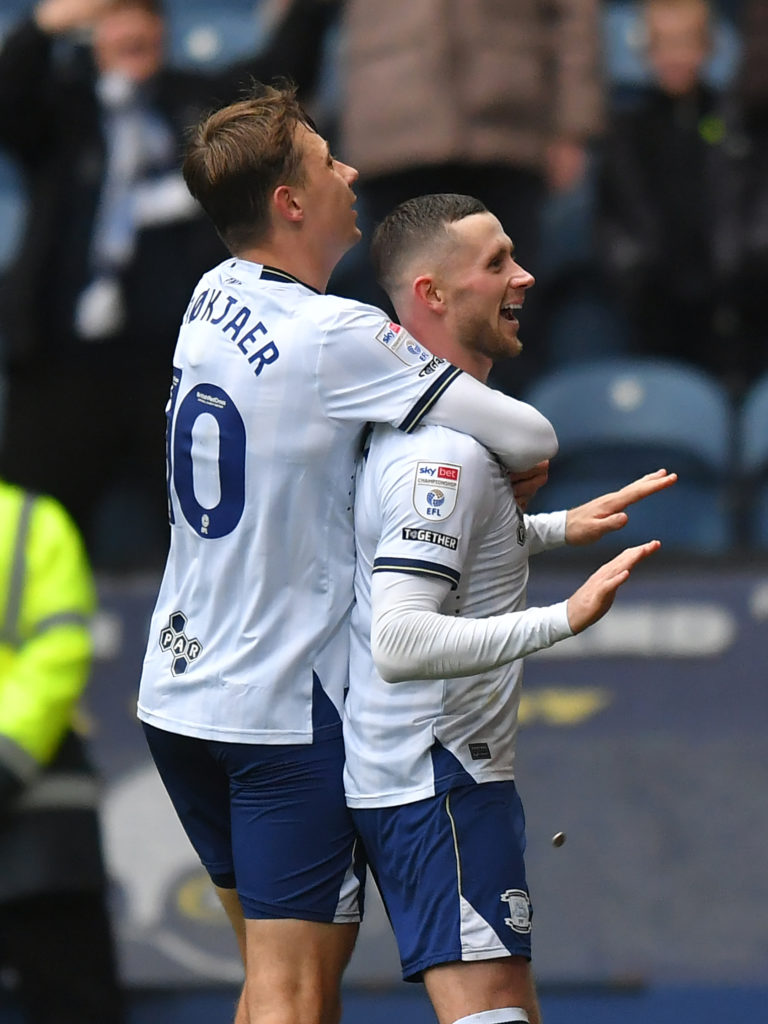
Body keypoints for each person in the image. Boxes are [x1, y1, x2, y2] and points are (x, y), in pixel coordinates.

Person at [136, 84, 560, 1024]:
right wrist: (508, 462)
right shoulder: (341, 333)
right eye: (329, 160)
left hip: (175, 693)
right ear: (291, 202)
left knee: (266, 980)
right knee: (295, 993)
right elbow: (529, 435)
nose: (351, 171)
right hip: (278, 707)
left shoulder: (211, 293)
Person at [343, 193, 677, 1024]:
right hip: (440, 774)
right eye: (495, 264)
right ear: (432, 295)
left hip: (437, 771)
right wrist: (566, 617)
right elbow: (401, 637)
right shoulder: (446, 454)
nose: (524, 276)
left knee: (509, 1011)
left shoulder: (441, 438)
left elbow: (441, 555)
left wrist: (557, 528)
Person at [0, 0, 335, 570]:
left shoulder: (198, 110)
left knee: (209, 539)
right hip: (63, 368)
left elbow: (283, 76)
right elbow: (9, 96)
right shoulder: (63, 110)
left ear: (164, 31)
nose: (132, 31)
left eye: (144, 17)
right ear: (91, 34)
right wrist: (47, 22)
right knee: (22, 537)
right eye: (115, 18)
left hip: (180, 370)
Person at [328, 0, 605, 394]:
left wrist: (572, 125)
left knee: (509, 324)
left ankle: (511, 446)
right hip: (392, 128)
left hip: (509, 128)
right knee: (397, 330)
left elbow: (575, 12)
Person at [0, 476, 125, 1023]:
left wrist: (5, 755)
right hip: (31, 776)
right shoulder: (31, 517)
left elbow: (60, 646)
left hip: (38, 812)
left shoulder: (30, 521)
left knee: (72, 999)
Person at [597, 0, 768, 395]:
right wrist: (639, 278)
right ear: (647, 51)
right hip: (658, 309)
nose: (675, 56)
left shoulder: (737, 125)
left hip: (735, 307)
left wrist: (746, 268)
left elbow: (752, 208)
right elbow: (613, 221)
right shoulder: (629, 134)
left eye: (686, 43)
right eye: (664, 44)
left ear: (708, 48)